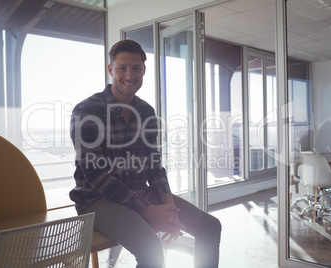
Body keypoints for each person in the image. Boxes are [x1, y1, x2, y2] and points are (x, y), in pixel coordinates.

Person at [70, 39, 221, 268]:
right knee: (152, 251)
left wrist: (169, 207)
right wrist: (149, 210)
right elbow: (95, 175)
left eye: (136, 68)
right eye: (122, 68)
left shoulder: (146, 111)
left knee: (210, 227)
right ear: (111, 69)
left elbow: (154, 165)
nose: (129, 75)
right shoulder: (87, 111)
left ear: (144, 70)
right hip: (97, 200)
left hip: (140, 192)